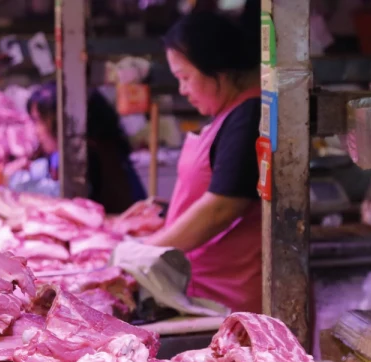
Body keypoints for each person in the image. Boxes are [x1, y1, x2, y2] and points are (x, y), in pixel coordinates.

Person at [141, 10, 262, 313]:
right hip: (205, 292)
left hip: (231, 300)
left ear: (218, 71)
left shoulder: (249, 113)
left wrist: (144, 253)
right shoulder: (231, 112)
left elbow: (223, 206)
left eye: (185, 77)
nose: (182, 89)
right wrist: (166, 212)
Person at [25, 82, 146, 215]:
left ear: (62, 122)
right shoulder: (66, 155)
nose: (36, 131)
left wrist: (16, 181)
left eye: (39, 121)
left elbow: (66, 196)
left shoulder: (91, 157)